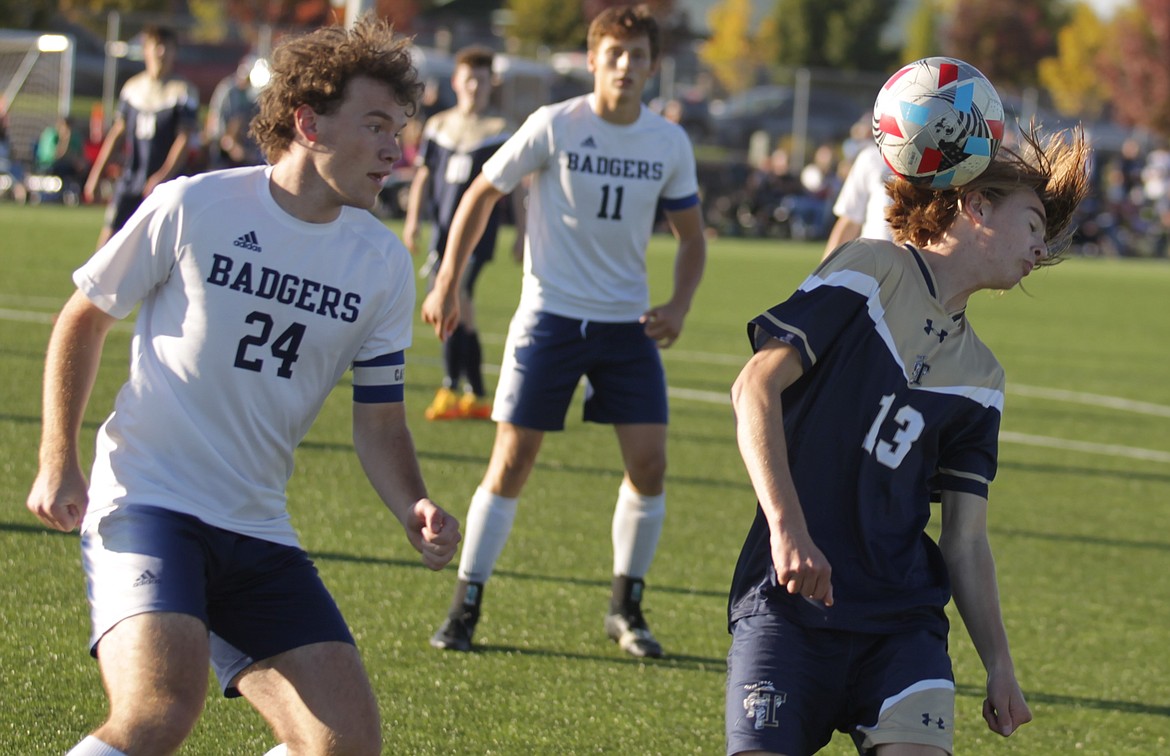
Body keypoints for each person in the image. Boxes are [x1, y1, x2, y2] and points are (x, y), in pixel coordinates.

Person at [26, 15, 462, 755]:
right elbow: (84, 319)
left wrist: (411, 502)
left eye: (403, 127)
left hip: (257, 528)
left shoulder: (382, 264)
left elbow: (380, 423)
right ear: (308, 123)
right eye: (378, 124)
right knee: (159, 711)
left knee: (345, 745)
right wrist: (56, 455)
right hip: (150, 503)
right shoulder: (196, 205)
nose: (398, 149)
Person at [725, 125, 1090, 755]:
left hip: (902, 628)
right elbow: (753, 387)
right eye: (1032, 224)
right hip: (790, 605)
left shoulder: (983, 378)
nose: (1039, 249)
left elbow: (966, 539)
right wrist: (789, 531)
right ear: (976, 205)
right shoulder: (873, 269)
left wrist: (1000, 663)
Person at [422, 3, 707, 658]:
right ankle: (466, 604)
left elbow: (691, 239)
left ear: (654, 65)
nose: (626, 66)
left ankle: (625, 608)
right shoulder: (555, 125)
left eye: (638, 55)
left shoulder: (668, 143)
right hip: (549, 319)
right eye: (614, 54)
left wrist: (680, 304)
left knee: (650, 464)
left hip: (626, 328)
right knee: (512, 462)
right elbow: (480, 196)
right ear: (592, 59)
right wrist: (445, 283)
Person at [402, 44, 524, 421]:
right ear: (457, 81)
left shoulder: (500, 130)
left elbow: (517, 186)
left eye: (482, 80)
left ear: (492, 85)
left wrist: (522, 230)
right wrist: (412, 220)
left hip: (478, 234)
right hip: (441, 232)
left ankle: (451, 387)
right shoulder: (439, 127)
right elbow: (423, 175)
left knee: (457, 294)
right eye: (469, 78)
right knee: (458, 308)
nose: (475, 86)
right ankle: (474, 392)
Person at [83, 25, 199, 250]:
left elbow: (184, 139)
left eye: (168, 47)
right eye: (157, 46)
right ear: (146, 50)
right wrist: (96, 174)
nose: (162, 52)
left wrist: (163, 175)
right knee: (106, 247)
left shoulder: (183, 91)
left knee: (159, 251)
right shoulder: (132, 88)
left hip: (168, 185)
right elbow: (117, 133)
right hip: (131, 180)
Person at [822, 140, 894, 260]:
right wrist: (825, 274)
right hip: (873, 264)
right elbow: (850, 220)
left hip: (920, 270)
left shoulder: (934, 159)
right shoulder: (872, 157)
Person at [205, 53, 266, 170]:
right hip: (223, 159)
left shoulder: (256, 95)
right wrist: (235, 148)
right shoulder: (228, 92)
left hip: (250, 161)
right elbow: (218, 132)